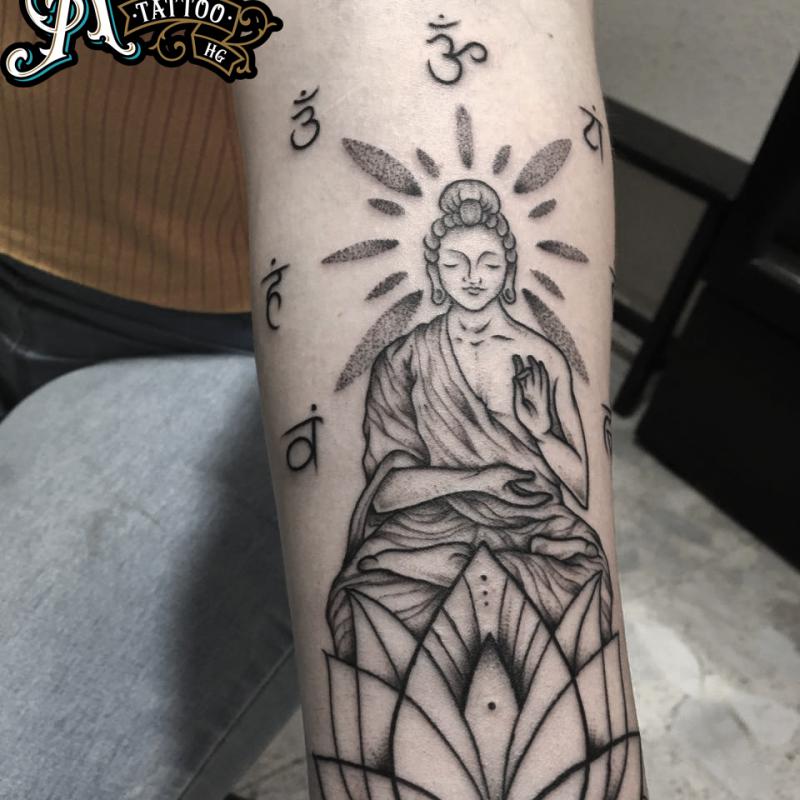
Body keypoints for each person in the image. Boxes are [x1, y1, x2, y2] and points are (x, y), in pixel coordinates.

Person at [235, 1, 647, 796]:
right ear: (433, 269)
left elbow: (575, 486)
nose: (472, 280)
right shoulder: (404, 358)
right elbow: (388, 488)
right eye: (456, 266)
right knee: (371, 593)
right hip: (424, 525)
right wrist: (476, 479)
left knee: (575, 578)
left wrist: (538, 434)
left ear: (510, 269)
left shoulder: (538, 357)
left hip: (529, 523)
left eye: (488, 265)